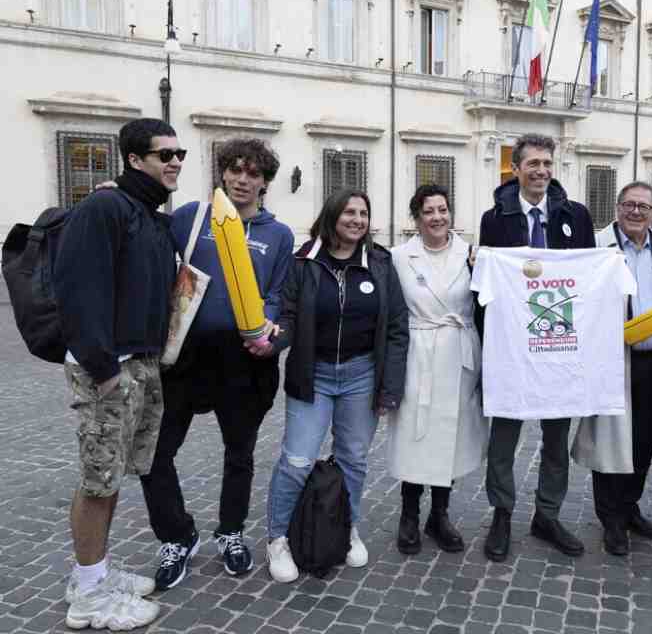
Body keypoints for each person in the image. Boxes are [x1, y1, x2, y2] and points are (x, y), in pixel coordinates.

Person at [139, 139, 294, 590]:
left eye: (252, 174)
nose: (242, 180)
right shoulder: (190, 217)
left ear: (265, 182)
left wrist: (274, 333)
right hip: (184, 357)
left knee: (239, 455)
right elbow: (144, 240)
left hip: (244, 362)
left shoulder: (277, 235)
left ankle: (230, 532)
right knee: (156, 453)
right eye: (234, 171)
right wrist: (117, 196)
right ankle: (176, 535)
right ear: (222, 174)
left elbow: (281, 296)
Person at [54, 118, 178, 630]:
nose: (175, 162)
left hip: (141, 364)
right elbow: (77, 287)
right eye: (164, 154)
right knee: (98, 481)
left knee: (112, 476)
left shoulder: (148, 214)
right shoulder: (105, 207)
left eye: (180, 154)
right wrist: (104, 368)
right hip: (110, 368)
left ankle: (96, 573)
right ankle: (89, 595)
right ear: (133, 159)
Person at [262, 189, 409, 582]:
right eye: (349, 212)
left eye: (363, 213)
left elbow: (396, 327)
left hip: (362, 375)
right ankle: (277, 539)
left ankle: (347, 528)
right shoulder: (304, 260)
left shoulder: (379, 262)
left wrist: (389, 387)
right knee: (297, 461)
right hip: (314, 375)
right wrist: (273, 339)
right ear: (332, 215)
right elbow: (289, 315)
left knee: (354, 460)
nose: (357, 219)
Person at [477, 133, 595, 562]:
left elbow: (586, 281)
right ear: (516, 168)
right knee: (503, 439)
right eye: (533, 164)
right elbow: (487, 287)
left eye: (547, 163)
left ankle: (547, 514)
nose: (541, 171)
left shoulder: (576, 216)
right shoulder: (496, 218)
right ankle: (502, 513)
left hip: (559, 345)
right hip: (512, 348)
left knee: (555, 438)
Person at [571, 181, 652, 555]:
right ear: (617, 207)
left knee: (644, 442)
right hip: (611, 361)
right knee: (609, 442)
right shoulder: (594, 246)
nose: (635, 211)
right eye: (628, 204)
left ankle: (631, 508)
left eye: (643, 206)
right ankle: (612, 520)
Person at [388, 185, 488, 555]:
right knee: (417, 434)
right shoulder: (399, 257)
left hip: (459, 352)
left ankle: (440, 515)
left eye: (442, 210)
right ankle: (409, 514)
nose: (437, 217)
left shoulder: (471, 255)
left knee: (451, 435)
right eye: (428, 211)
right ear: (416, 217)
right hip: (418, 352)